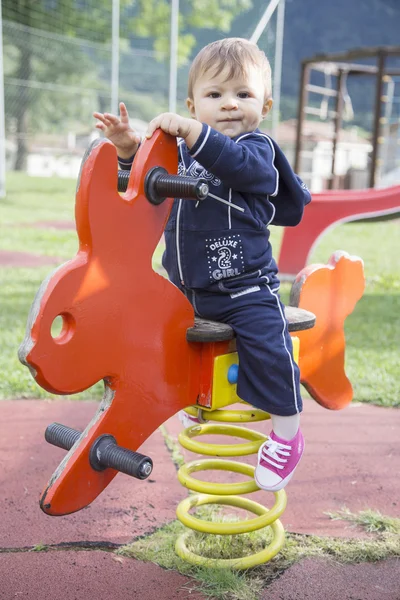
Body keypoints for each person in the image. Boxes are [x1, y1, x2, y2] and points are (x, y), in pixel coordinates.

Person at [93, 37, 311, 492]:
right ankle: (183, 394)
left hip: (247, 290)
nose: (230, 105)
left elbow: (245, 172)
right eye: (215, 95)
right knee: (158, 340)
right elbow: (141, 193)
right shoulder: (183, 156)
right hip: (187, 289)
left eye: (244, 95)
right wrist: (129, 152)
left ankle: (287, 437)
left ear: (265, 105)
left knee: (270, 351)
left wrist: (195, 132)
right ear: (194, 103)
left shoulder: (258, 150)